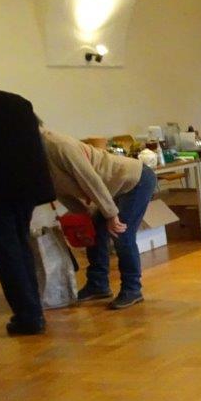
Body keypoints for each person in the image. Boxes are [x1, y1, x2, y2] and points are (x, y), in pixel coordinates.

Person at [40, 128, 158, 310]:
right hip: (110, 188)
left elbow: (91, 180)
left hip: (135, 179)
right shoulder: (34, 157)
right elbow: (61, 191)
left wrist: (111, 214)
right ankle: (98, 284)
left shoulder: (59, 146)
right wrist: (83, 217)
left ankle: (132, 289)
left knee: (121, 234)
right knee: (94, 231)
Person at [0, 66, 55, 336]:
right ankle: (34, 310)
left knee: (7, 252)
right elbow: (34, 149)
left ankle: (28, 316)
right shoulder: (17, 103)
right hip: (24, 189)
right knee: (20, 246)